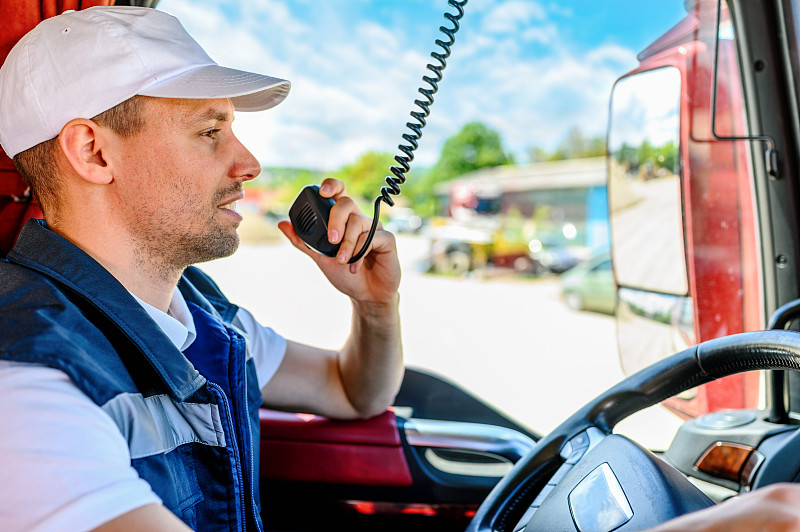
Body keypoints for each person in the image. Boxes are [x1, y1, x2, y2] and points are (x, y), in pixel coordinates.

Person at [0, 6, 402, 532]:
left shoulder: (203, 312)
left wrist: (374, 305)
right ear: (93, 152)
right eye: (210, 131)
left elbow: (353, 391)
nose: (250, 164)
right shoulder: (27, 382)